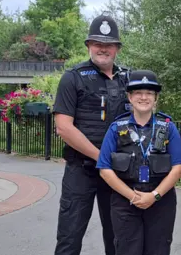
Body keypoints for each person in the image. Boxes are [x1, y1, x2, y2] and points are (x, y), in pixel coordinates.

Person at [53, 14, 130, 255]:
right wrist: (102, 158)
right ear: (88, 46)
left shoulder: (129, 79)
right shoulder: (72, 78)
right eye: (97, 43)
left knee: (118, 240)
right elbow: (64, 127)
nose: (102, 49)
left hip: (118, 173)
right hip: (81, 172)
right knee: (69, 238)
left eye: (108, 44)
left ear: (117, 48)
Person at [96, 70, 181, 255]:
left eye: (149, 93)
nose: (144, 97)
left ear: (156, 97)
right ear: (129, 96)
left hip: (161, 201)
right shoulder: (116, 128)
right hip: (125, 202)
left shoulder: (168, 127)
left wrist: (154, 196)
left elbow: (177, 168)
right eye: (138, 92)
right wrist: (132, 196)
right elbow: (105, 169)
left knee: (158, 250)